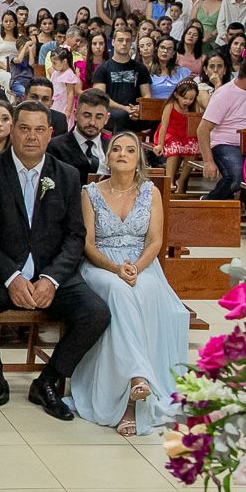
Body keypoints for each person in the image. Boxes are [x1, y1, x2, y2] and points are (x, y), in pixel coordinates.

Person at [0, 101, 110, 421]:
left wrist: (52, 279)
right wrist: (11, 276)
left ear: (50, 134)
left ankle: (49, 380)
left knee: (95, 313)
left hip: (49, 274)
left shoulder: (67, 175)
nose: (31, 136)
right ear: (12, 131)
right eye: (24, 128)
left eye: (39, 129)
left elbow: (74, 236)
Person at [67, 131, 187, 435]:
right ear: (108, 157)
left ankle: (136, 391)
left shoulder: (150, 193)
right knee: (119, 290)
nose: (122, 153)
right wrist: (115, 268)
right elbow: (89, 245)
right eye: (116, 149)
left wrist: (135, 267)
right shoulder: (90, 192)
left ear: (138, 159)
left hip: (141, 264)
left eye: (129, 150)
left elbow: (155, 241)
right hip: (100, 266)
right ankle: (137, 379)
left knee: (143, 291)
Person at [197, 56, 246, 200]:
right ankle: (208, 201)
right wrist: (208, 161)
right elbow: (203, 129)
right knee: (236, 176)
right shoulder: (224, 94)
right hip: (226, 144)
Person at [150, 78, 202, 193]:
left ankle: (182, 180)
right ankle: (169, 180)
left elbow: (196, 125)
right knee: (174, 148)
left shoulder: (194, 107)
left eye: (191, 99)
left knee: (193, 148)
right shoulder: (170, 105)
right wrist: (160, 144)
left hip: (186, 134)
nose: (188, 101)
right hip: (170, 133)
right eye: (185, 98)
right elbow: (164, 126)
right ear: (176, 95)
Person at [50, 88, 113, 179]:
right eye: (87, 116)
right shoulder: (55, 147)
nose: (92, 122)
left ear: (107, 118)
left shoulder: (113, 147)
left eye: (99, 117)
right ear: (75, 115)